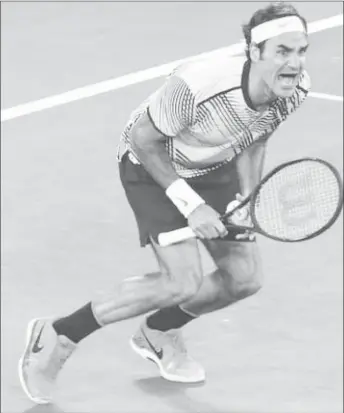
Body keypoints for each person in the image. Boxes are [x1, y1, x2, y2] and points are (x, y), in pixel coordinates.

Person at [19, 2, 311, 404]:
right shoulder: (200, 85)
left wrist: (247, 195)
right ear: (255, 52)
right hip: (150, 166)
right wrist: (192, 206)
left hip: (213, 164)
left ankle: (157, 332)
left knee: (244, 278)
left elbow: (255, 138)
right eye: (282, 51)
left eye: (301, 51)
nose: (294, 63)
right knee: (181, 281)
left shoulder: (294, 90)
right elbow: (143, 140)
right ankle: (60, 332)